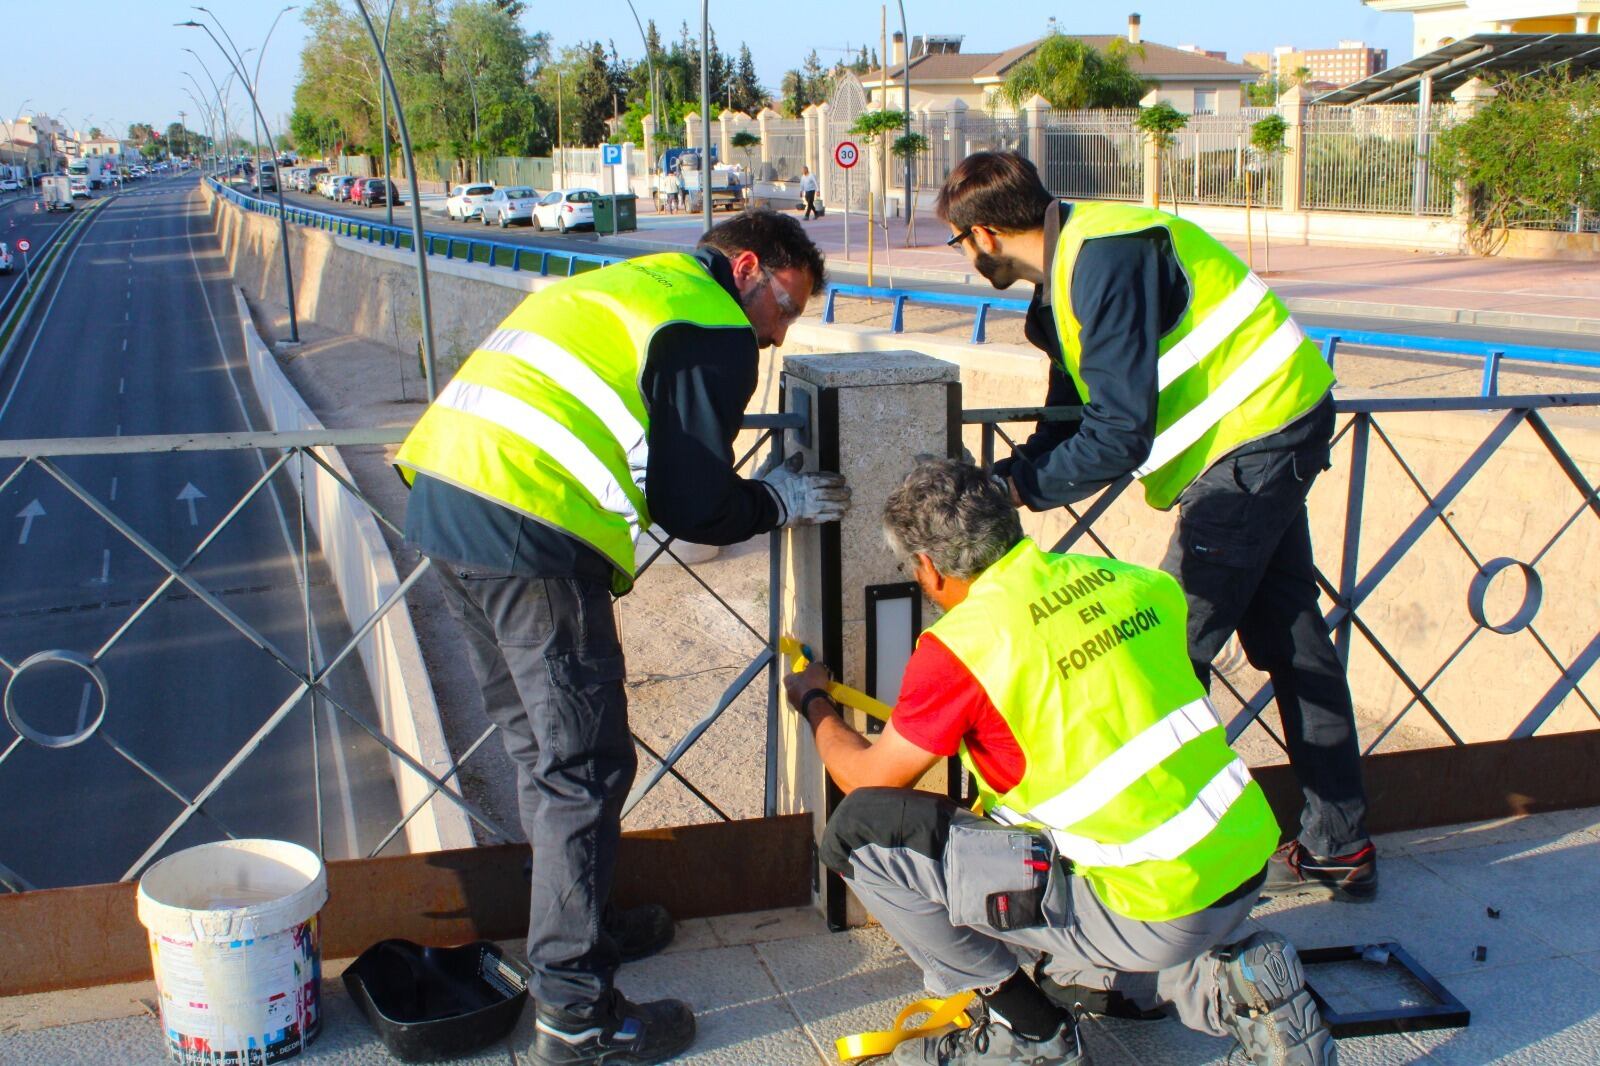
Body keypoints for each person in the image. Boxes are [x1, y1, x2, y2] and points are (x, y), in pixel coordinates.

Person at [395, 209, 849, 1066]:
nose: (781, 332)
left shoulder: (629, 282)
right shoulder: (711, 321)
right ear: (747, 266)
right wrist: (775, 499)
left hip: (444, 502)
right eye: (784, 305)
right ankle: (575, 1018)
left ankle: (582, 925)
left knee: (540, 750)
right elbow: (694, 505)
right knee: (584, 766)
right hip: (528, 530)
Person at [788, 460, 1336, 1066]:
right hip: (1240, 861)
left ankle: (1028, 1036)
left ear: (929, 568)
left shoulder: (964, 647)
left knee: (862, 836)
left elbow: (865, 782)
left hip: (1153, 905)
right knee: (1061, 960)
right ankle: (1231, 984)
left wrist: (814, 701)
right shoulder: (1136, 584)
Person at [936, 151, 1376, 904]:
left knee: (1160, 653)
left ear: (982, 235)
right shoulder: (1073, 264)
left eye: (958, 244)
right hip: (1264, 429)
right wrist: (1008, 473)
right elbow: (1070, 413)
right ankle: (1339, 844)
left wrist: (1014, 490)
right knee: (1294, 645)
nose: (966, 259)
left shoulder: (1104, 259)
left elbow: (1117, 437)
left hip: (1255, 438)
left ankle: (1170, 867)